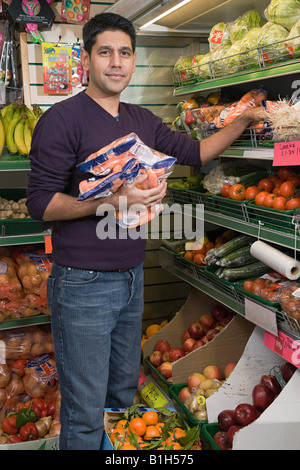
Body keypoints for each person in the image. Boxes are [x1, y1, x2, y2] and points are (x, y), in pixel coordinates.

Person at [26, 12, 266, 450]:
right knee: (83, 414)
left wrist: (243, 120)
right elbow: (40, 203)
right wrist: (111, 202)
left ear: (134, 60)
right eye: (105, 53)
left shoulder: (143, 119)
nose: (115, 62)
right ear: (86, 61)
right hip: (82, 283)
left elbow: (195, 152)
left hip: (132, 277)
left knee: (121, 401)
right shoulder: (61, 120)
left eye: (124, 53)